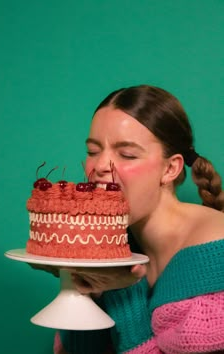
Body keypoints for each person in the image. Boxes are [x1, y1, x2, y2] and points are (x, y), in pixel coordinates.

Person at [53, 85, 224, 354]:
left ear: (170, 168)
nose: (99, 167)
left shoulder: (216, 254)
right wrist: (82, 292)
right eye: (93, 151)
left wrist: (126, 292)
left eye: (127, 154)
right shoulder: (114, 247)